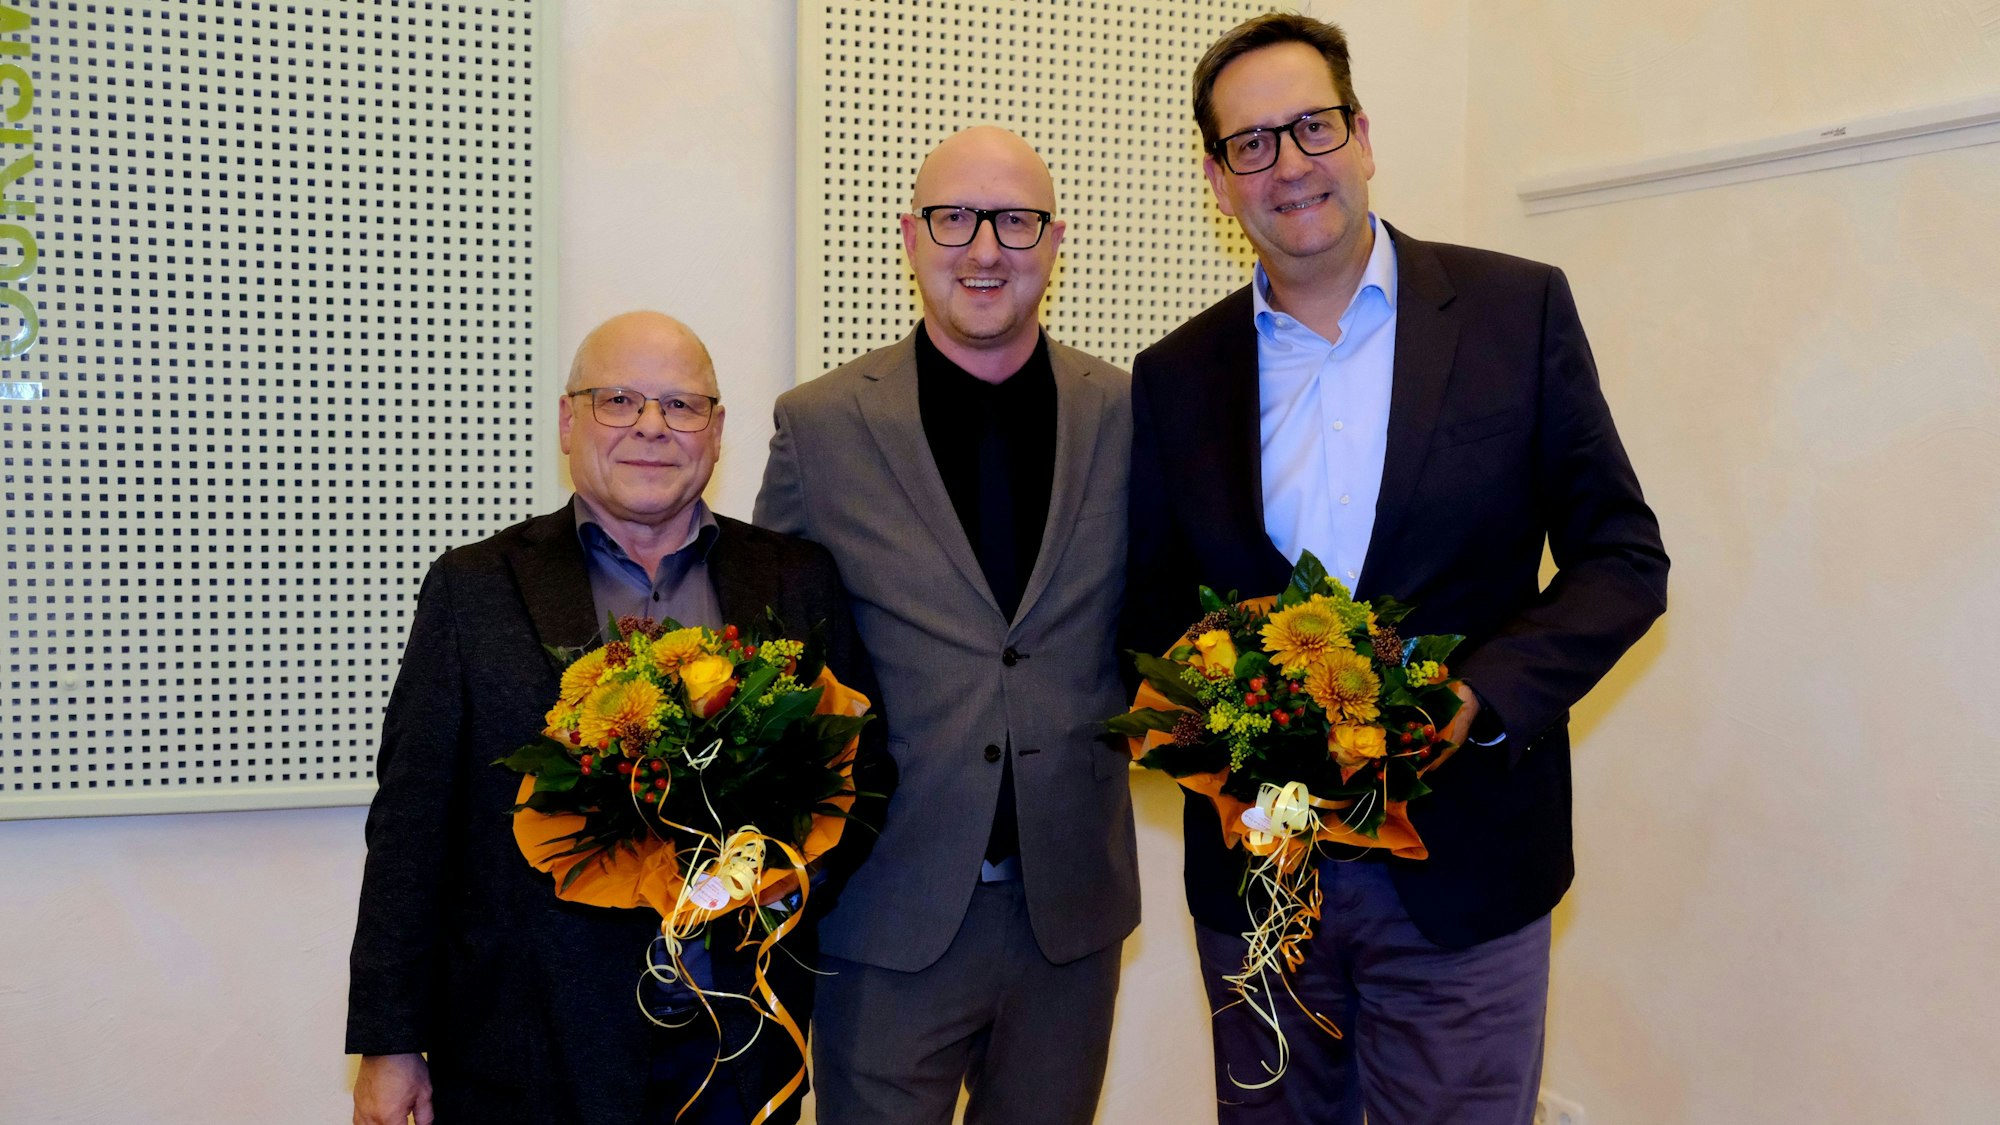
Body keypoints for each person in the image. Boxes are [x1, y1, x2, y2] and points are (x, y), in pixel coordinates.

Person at [1126, 14, 1670, 1124]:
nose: (1288, 164)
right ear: (1216, 179)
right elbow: (1143, 613)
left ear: (1361, 134)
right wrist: (1213, 722)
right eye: (1250, 144)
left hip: (1465, 869)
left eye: (1310, 126)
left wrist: (1478, 696)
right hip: (1257, 887)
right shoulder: (1173, 375)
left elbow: (1621, 558)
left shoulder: (1514, 312)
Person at [346, 311, 879, 1125]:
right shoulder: (473, 588)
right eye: (619, 400)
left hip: (737, 1047)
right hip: (529, 1050)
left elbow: (862, 775)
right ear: (568, 420)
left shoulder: (796, 576)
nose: (652, 427)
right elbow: (411, 827)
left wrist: (775, 889)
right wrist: (389, 1042)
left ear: (717, 429)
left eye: (682, 404)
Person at [753, 126, 1137, 1125]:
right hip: (885, 911)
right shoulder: (820, 424)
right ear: (908, 238)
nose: (982, 249)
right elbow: (771, 666)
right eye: (952, 219)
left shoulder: (1132, 414)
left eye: (1014, 221)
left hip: (1070, 914)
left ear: (1054, 242)